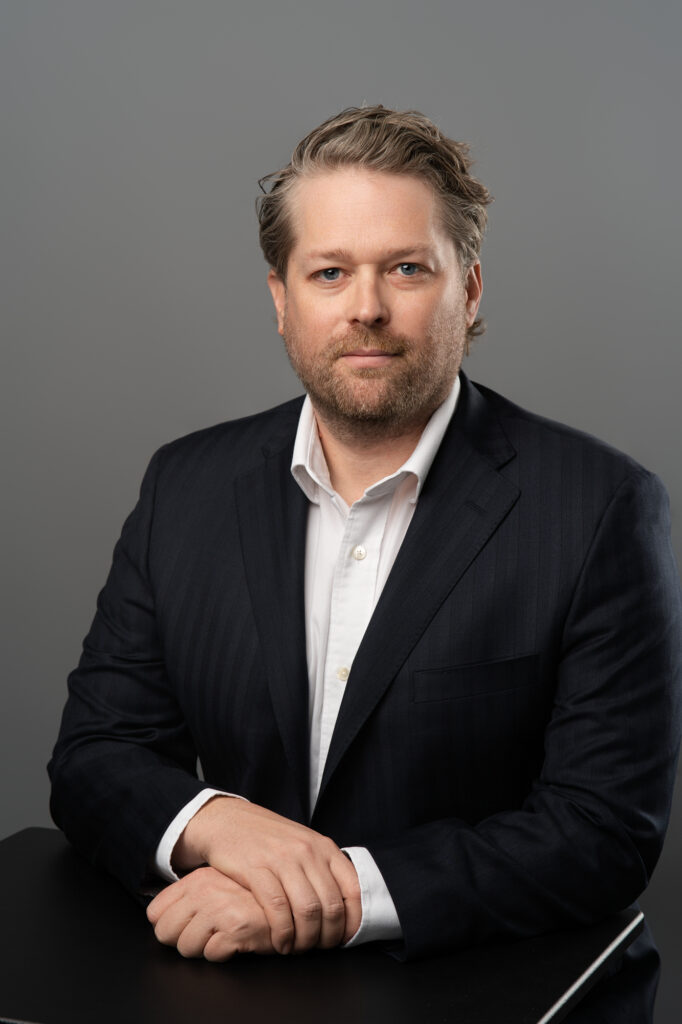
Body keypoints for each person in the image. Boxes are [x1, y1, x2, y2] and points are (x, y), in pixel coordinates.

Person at [49, 106, 681, 1018]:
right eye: (330, 272)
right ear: (281, 299)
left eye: (407, 269)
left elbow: (601, 832)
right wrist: (215, 823)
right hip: (229, 994)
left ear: (468, 290)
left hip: (486, 994)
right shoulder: (185, 485)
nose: (367, 307)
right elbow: (96, 755)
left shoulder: (600, 508)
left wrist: (325, 898)